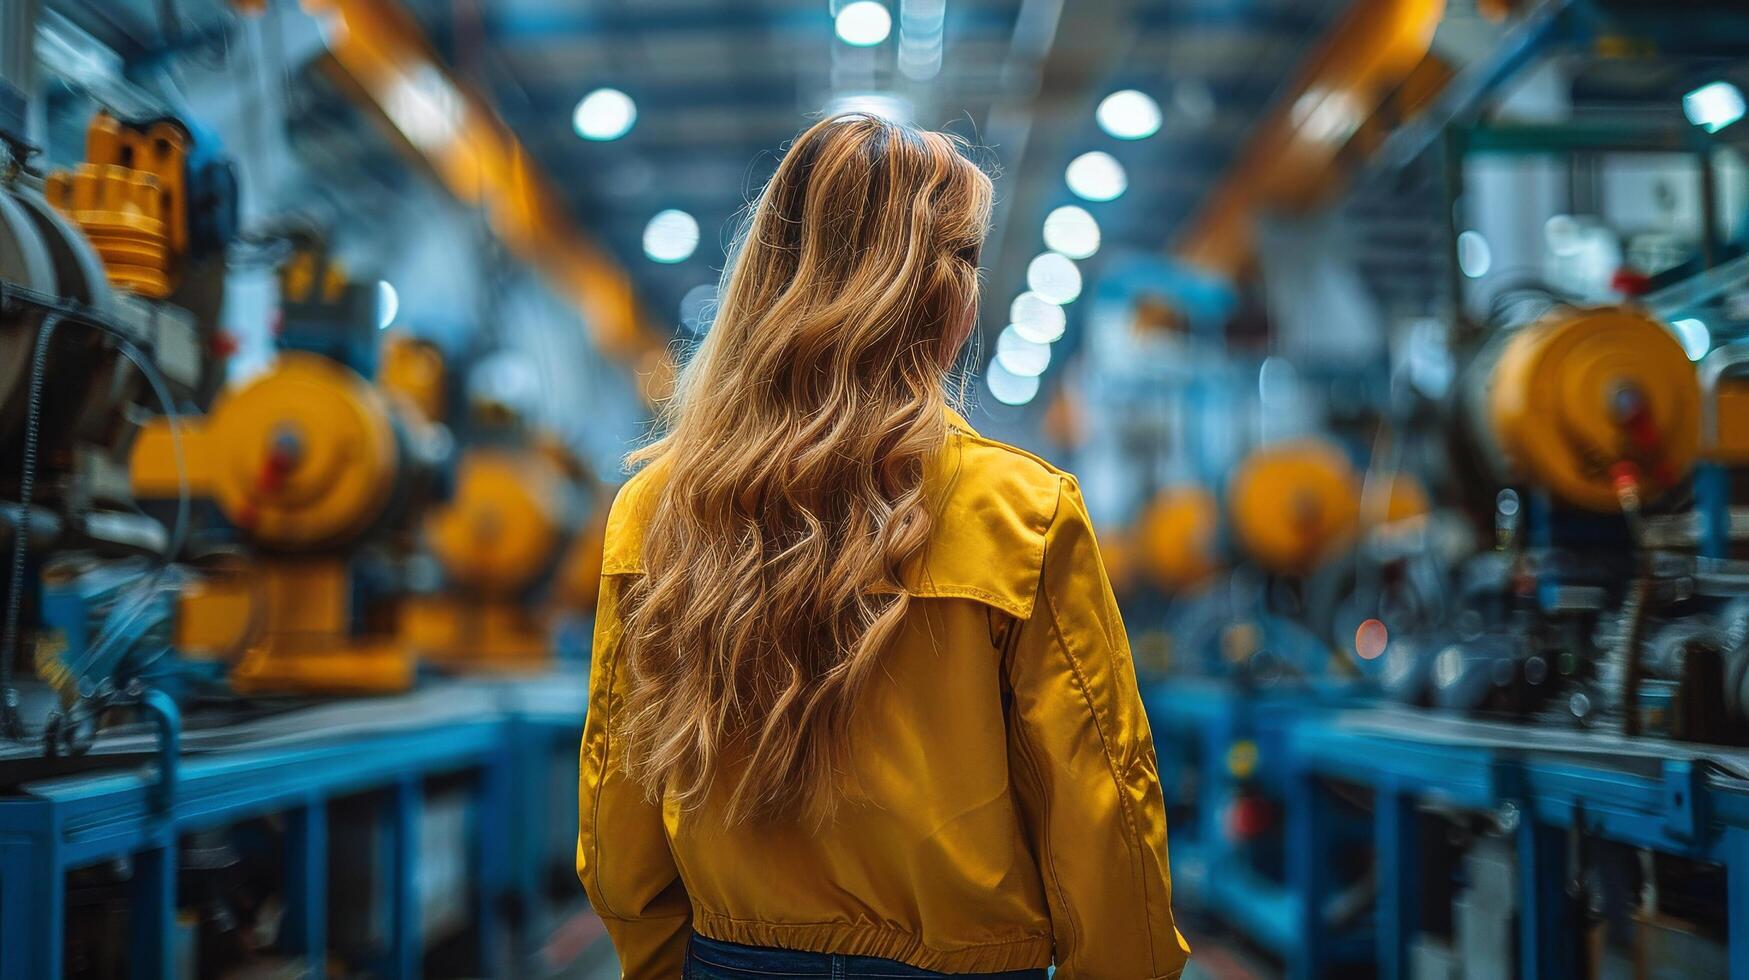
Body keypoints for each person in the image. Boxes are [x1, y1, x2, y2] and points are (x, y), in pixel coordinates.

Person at [577, 113, 1188, 980]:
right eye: (966, 261)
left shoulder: (655, 514)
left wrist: (663, 959)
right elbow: (1101, 800)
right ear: (932, 290)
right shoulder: (1022, 512)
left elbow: (617, 793)